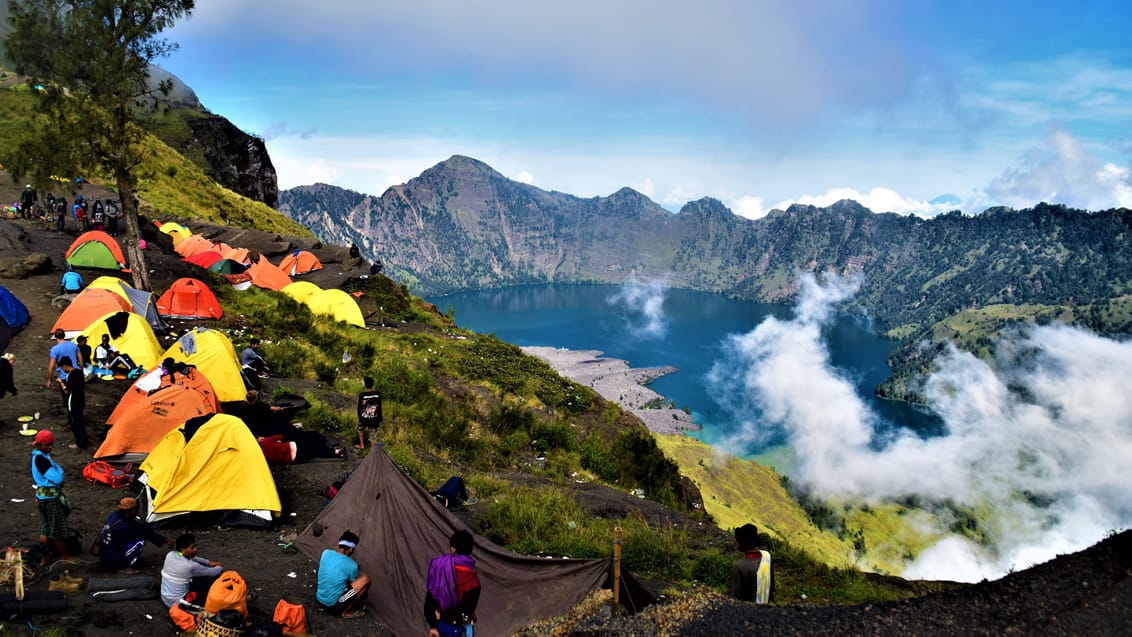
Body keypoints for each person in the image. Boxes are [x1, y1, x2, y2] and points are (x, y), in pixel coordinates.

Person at [425, 529, 481, 637]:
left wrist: (433, 625)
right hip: (460, 629)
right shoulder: (473, 582)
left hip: (440, 626)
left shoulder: (439, 567)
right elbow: (466, 612)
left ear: (453, 549)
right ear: (471, 549)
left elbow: (430, 601)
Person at [97, 496, 172, 573]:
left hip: (104, 556)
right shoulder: (127, 526)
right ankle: (122, 567)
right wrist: (164, 540)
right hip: (112, 562)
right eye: (136, 509)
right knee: (140, 540)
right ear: (132, 511)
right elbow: (145, 532)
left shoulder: (114, 515)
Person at [31, 430, 73, 561]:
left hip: (42, 496)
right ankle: (64, 555)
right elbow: (58, 478)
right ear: (39, 445)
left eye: (51, 444)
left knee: (46, 526)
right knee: (57, 528)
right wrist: (59, 472)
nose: (50, 447)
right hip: (50, 499)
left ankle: (46, 554)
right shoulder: (41, 460)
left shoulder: (39, 456)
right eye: (47, 445)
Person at [160, 533, 224, 609]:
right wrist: (219, 567)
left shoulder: (171, 554)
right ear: (183, 549)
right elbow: (214, 572)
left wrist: (208, 562)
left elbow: (189, 557)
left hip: (165, 597)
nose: (195, 549)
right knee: (212, 579)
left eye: (195, 546)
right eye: (192, 548)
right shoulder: (190, 566)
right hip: (178, 603)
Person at [316, 530, 370, 618]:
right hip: (332, 605)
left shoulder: (325, 553)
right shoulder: (352, 565)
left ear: (339, 545)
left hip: (319, 598)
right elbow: (352, 586)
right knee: (365, 580)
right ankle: (346, 612)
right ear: (351, 549)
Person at [730, 523, 772, 604]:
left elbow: (734, 598)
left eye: (738, 541)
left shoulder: (739, 566)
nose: (736, 543)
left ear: (743, 543)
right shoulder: (767, 557)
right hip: (765, 607)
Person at [55, 356, 89, 449]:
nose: (63, 370)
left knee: (75, 423)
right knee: (80, 421)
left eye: (62, 368)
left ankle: (80, 443)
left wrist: (60, 382)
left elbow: (66, 390)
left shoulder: (71, 375)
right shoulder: (79, 373)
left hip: (73, 402)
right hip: (81, 400)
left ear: (65, 366)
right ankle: (83, 440)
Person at [356, 376, 382, 449]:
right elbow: (379, 407)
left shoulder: (362, 395)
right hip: (374, 418)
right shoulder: (377, 394)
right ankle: (372, 450)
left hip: (364, 417)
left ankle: (362, 445)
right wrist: (379, 418)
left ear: (365, 384)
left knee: (360, 429)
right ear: (372, 384)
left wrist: (359, 416)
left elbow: (359, 407)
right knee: (372, 434)